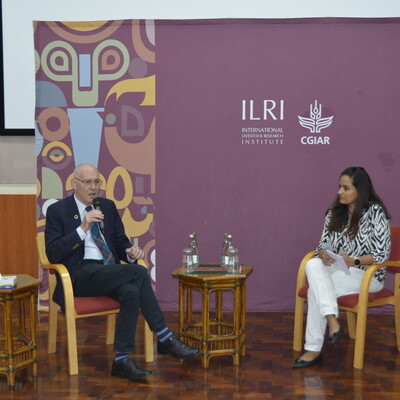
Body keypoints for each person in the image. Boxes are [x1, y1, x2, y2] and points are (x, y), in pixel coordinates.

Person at [45, 163, 200, 380]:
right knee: (137, 273)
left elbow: (120, 242)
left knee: (131, 292)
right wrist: (82, 228)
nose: (93, 187)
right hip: (78, 275)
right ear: (74, 184)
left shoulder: (107, 206)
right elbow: (53, 253)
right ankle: (165, 338)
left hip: (107, 271)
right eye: (88, 182)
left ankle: (121, 360)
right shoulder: (58, 211)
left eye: (97, 182)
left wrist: (129, 252)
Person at [293, 167, 391, 368]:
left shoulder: (375, 212)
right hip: (339, 270)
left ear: (359, 190)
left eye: (346, 188)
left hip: (367, 275)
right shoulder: (334, 213)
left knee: (314, 292)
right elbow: (322, 245)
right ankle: (332, 321)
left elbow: (381, 255)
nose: (339, 192)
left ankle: (313, 349)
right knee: (312, 263)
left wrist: (353, 261)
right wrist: (322, 254)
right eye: (339, 187)